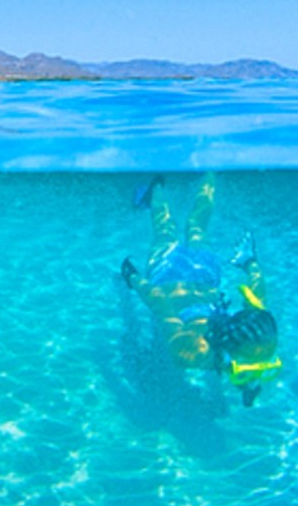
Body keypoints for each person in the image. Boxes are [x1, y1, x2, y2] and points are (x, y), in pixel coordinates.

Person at [120, 173, 281, 407]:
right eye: (253, 368)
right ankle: (155, 188)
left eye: (265, 366)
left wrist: (250, 263)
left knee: (195, 227)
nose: (257, 371)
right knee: (165, 231)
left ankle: (210, 172)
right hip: (168, 275)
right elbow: (159, 303)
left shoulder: (258, 329)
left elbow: (257, 299)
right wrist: (132, 277)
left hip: (206, 275)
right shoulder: (188, 351)